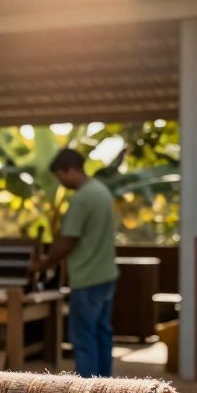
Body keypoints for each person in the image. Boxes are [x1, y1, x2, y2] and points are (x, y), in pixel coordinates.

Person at [30, 149, 119, 377]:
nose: (61, 183)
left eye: (60, 176)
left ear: (70, 170)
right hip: (106, 274)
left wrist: (44, 263)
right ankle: (106, 388)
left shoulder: (82, 198)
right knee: (102, 335)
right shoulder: (102, 192)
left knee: (84, 338)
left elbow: (67, 241)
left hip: (86, 277)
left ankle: (87, 392)